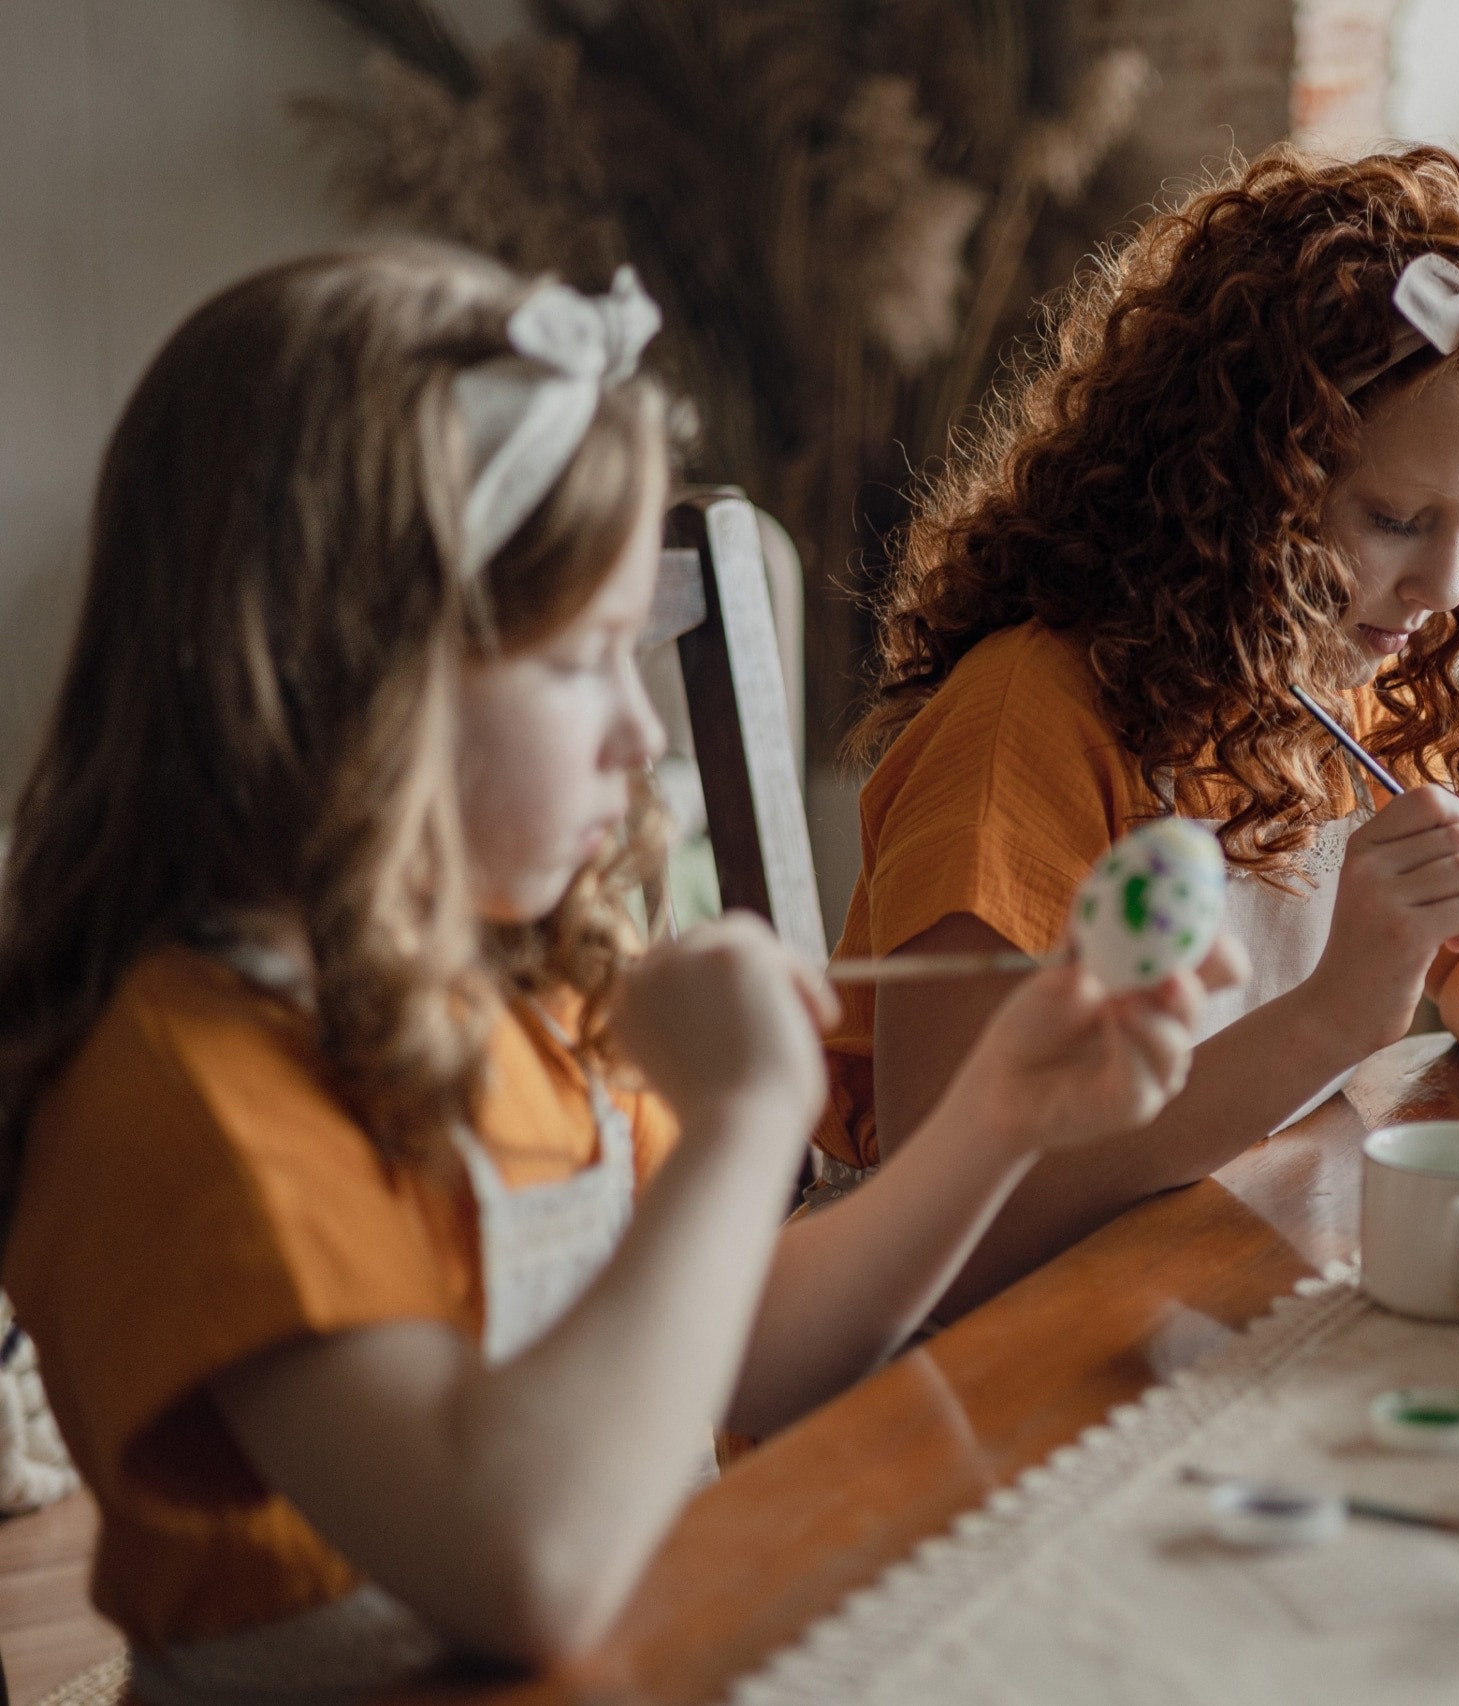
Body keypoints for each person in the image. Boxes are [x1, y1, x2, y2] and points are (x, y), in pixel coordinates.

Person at [0, 245, 1229, 1697]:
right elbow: (527, 1562)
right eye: (584, 661)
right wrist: (738, 1131)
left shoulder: (521, 989)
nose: (642, 739)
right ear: (355, 675)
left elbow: (751, 1349)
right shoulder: (188, 1081)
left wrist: (1000, 1116)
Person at [826, 145, 1459, 1315]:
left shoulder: (1340, 673)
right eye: (1394, 517)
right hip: (969, 1360)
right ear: (1233, 481)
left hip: (1195, 1274)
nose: (1442, 589)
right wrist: (1335, 1016)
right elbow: (946, 1209)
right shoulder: (1026, 725)